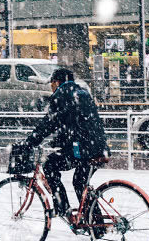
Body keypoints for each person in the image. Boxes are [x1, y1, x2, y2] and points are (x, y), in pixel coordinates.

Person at [19, 68, 109, 220]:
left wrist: (30, 142)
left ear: (57, 82)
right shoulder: (82, 92)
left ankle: (62, 207)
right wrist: (61, 140)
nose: (51, 88)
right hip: (99, 147)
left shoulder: (60, 96)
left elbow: (49, 123)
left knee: (50, 165)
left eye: (51, 84)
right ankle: (96, 224)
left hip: (82, 148)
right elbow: (77, 122)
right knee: (80, 182)